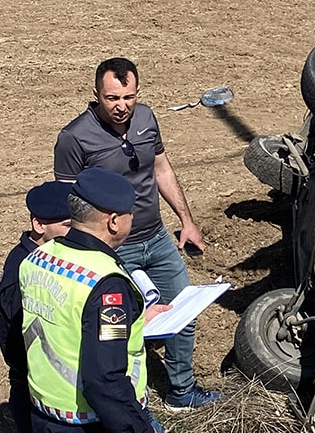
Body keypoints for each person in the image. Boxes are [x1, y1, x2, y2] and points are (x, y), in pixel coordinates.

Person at [54, 57, 222, 409]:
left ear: (137, 91)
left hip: (157, 238)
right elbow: (68, 205)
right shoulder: (74, 138)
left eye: (128, 97)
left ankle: (181, 390)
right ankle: (129, 403)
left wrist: (186, 220)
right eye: (112, 98)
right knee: (121, 329)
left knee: (181, 313)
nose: (121, 106)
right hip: (113, 250)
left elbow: (160, 168)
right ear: (96, 94)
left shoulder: (145, 118)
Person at [22, 169, 166, 433]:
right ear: (114, 221)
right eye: (130, 213)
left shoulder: (38, 257)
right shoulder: (106, 284)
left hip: (44, 420)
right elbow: (104, 377)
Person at [0, 181, 72, 433]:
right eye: (68, 224)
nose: (76, 231)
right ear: (38, 224)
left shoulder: (53, 257)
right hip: (36, 395)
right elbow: (14, 342)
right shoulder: (22, 273)